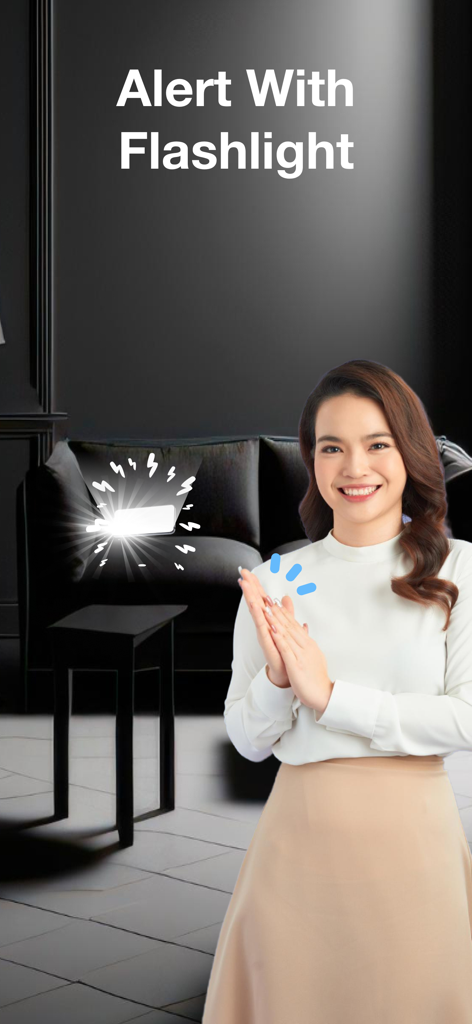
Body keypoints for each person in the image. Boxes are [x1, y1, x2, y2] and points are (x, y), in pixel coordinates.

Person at [201, 359, 472, 1024]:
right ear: (312, 461)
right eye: (332, 447)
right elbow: (246, 738)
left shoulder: (458, 567)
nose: (355, 467)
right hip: (295, 855)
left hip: (416, 853)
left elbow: (466, 718)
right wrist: (279, 681)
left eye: (377, 444)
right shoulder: (275, 581)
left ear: (409, 452)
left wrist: (330, 697)